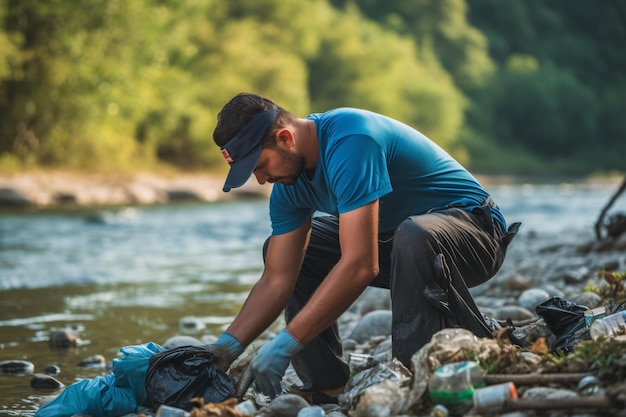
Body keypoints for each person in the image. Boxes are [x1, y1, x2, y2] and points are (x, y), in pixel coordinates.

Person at [206, 92, 520, 402]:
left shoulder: (352, 140)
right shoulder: (289, 186)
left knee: (413, 233)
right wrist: (226, 348)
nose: (260, 180)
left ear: (286, 138)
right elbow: (277, 278)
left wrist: (286, 343)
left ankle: (412, 378)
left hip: (477, 233)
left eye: (259, 165)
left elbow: (360, 264)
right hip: (403, 244)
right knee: (297, 247)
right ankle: (326, 384)